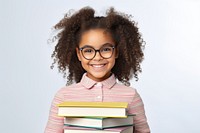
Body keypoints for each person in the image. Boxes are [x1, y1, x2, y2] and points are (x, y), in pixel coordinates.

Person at [45, 7, 150, 133]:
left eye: (106, 49)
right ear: (78, 54)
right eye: (88, 51)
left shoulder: (131, 96)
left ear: (116, 51)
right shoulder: (63, 96)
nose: (98, 57)